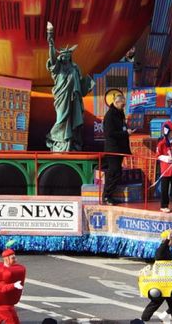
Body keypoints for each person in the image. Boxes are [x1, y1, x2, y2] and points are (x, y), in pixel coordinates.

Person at [45, 21, 94, 152]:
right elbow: (52, 56)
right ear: (60, 56)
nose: (66, 56)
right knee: (61, 118)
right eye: (63, 55)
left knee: (73, 121)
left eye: (68, 55)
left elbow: (80, 81)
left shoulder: (74, 67)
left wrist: (87, 84)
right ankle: (55, 139)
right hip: (62, 97)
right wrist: (50, 40)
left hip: (74, 98)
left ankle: (70, 143)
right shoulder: (57, 68)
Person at [141, 230, 172, 323]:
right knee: (155, 303)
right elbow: (159, 254)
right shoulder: (161, 249)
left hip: (170, 283)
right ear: (167, 239)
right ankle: (143, 320)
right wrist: (167, 240)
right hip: (160, 284)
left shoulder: (167, 250)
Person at [102, 93, 134, 205]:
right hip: (112, 149)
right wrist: (125, 133)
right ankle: (106, 196)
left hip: (119, 148)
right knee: (113, 172)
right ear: (116, 102)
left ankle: (110, 196)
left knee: (117, 172)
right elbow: (109, 133)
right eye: (122, 104)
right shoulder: (110, 115)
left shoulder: (120, 114)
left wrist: (126, 130)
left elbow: (121, 127)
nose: (123, 106)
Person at [0, 248, 26, 324]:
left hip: (5, 305)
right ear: (6, 259)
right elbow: (2, 288)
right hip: (5, 306)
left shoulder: (10, 270)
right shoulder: (2, 272)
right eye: (13, 258)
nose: (15, 260)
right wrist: (14, 285)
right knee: (13, 321)